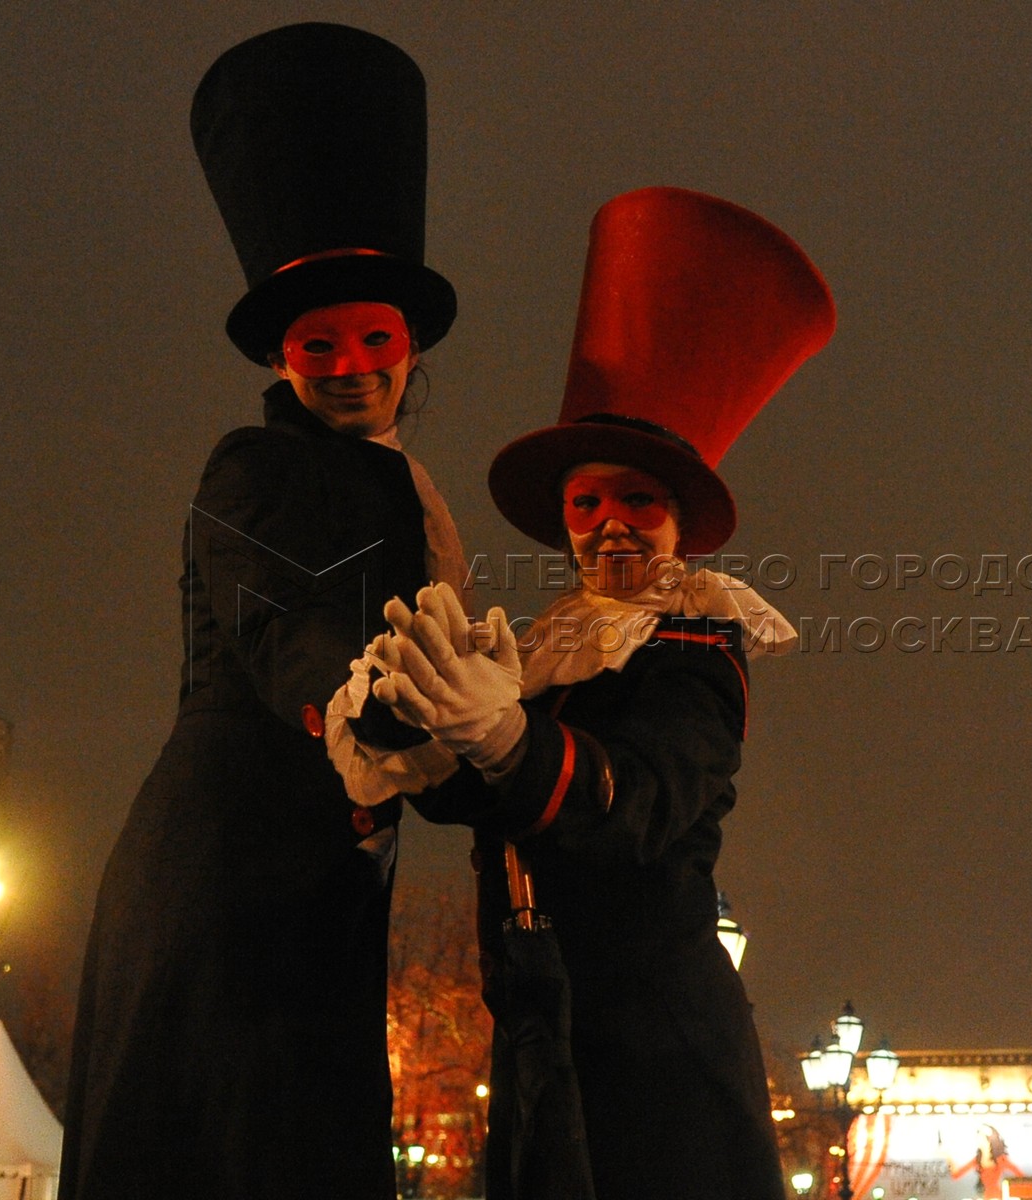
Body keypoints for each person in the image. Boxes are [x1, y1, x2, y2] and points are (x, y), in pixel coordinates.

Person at [365, 187, 835, 1200]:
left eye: (637, 499)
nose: (610, 523)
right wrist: (407, 724)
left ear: (678, 522)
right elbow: (496, 796)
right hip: (545, 1023)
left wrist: (501, 734)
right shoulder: (550, 648)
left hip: (656, 1051)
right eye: (586, 501)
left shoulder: (695, 644)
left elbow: (635, 804)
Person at [60, 25, 463, 1199]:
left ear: (410, 349)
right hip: (228, 874)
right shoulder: (251, 464)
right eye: (317, 343)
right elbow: (283, 624)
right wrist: (374, 705)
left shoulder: (410, 493)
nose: (349, 363)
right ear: (283, 358)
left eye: (373, 338)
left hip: (321, 875)